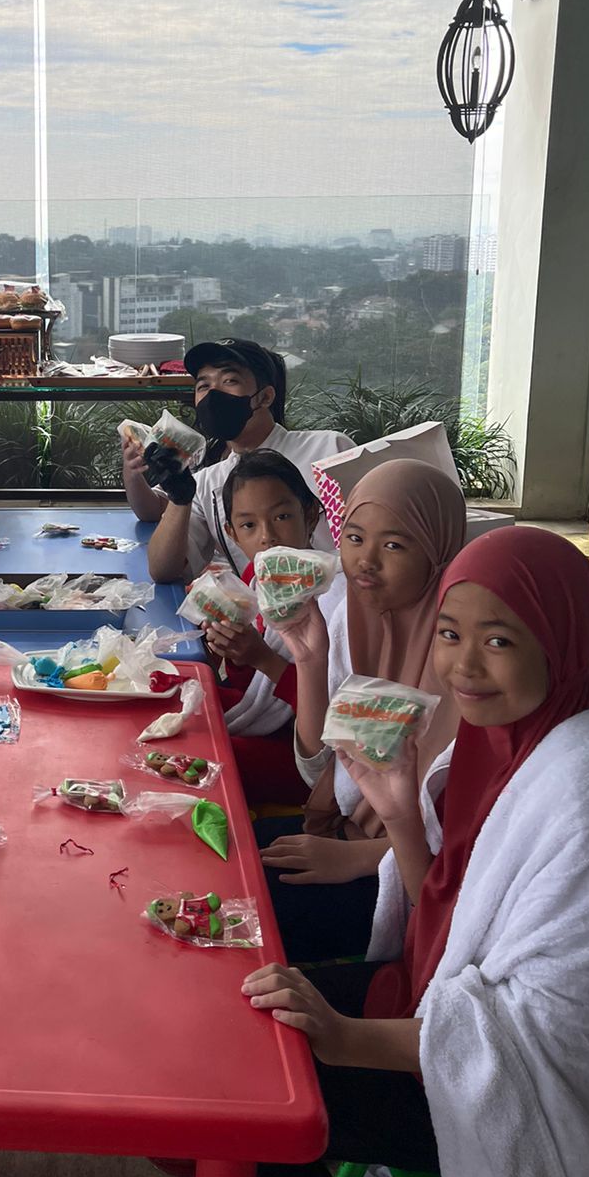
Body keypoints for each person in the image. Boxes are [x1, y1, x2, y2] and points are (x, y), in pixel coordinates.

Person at [243, 527, 589, 1177]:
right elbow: (453, 911)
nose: (463, 665)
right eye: (451, 634)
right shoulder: (508, 737)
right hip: (430, 1009)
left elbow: (541, 1037)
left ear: (561, 640)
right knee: (239, 1030)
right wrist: (399, 814)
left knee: (251, 1107)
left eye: (499, 641)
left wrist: (346, 1037)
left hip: (518, 1097)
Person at [255, 460, 465, 963]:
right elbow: (319, 768)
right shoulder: (356, 614)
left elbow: (469, 846)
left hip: (409, 883)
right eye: (353, 537)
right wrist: (310, 660)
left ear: (437, 550)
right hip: (345, 832)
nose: (364, 561)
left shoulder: (464, 656)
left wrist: (357, 858)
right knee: (207, 859)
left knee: (245, 923)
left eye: (394, 545)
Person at [140, 339, 352, 583]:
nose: (213, 394)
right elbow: (163, 570)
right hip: (271, 617)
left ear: (264, 397)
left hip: (346, 607)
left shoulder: (330, 449)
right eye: (203, 385)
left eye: (230, 381)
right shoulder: (206, 484)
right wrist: (179, 499)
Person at [202, 450, 346, 805]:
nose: (267, 537)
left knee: (205, 762)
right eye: (249, 525)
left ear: (310, 515)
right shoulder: (253, 580)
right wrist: (229, 648)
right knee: (179, 699)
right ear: (231, 533)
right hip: (263, 722)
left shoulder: (333, 595)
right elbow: (249, 688)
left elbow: (330, 716)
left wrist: (262, 657)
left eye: (282, 516)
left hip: (305, 755)